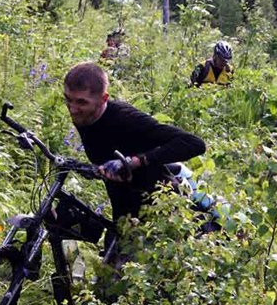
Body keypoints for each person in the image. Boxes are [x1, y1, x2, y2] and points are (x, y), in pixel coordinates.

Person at [64, 62, 206, 222]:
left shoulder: (126, 119)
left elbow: (194, 144)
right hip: (125, 211)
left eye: (82, 102)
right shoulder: (84, 117)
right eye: (68, 99)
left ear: (104, 99)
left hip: (161, 210)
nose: (72, 108)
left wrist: (137, 161)